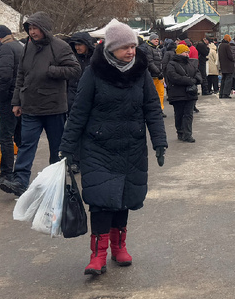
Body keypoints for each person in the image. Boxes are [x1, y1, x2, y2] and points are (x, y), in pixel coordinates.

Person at [60, 20, 168, 276]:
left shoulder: (141, 72)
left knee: (123, 199)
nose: (131, 51)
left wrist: (159, 142)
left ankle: (119, 247)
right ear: (111, 48)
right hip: (98, 147)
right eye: (124, 47)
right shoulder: (94, 73)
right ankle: (97, 255)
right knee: (101, 201)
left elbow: (152, 109)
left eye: (133, 46)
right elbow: (79, 112)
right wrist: (67, 147)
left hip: (131, 146)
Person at [1, 12, 81, 197]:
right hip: (30, 106)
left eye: (35, 28)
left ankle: (56, 182)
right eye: (30, 28)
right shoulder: (27, 47)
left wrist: (51, 70)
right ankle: (20, 181)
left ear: (44, 28)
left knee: (56, 148)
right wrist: (16, 102)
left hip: (54, 107)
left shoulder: (60, 47)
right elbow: (21, 75)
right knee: (26, 145)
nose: (32, 32)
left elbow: (75, 69)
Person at [0, 24, 24, 188]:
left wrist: (0, 96)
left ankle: (6, 174)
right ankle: (20, 173)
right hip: (21, 98)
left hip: (9, 99)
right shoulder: (19, 46)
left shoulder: (5, 48)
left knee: (5, 137)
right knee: (20, 137)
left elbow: (4, 75)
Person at [165, 43, 203, 141]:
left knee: (188, 114)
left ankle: (187, 134)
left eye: (187, 52)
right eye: (185, 52)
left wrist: (195, 80)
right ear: (179, 53)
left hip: (190, 93)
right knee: (179, 114)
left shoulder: (190, 63)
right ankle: (180, 132)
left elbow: (198, 74)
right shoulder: (172, 64)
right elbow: (173, 77)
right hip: (177, 94)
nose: (187, 54)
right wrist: (189, 81)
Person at [65, 31, 97, 111]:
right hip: (71, 98)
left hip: (90, 97)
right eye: (75, 45)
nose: (77, 47)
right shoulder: (71, 59)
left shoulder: (95, 59)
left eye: (79, 45)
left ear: (87, 44)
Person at [148, 34, 167, 109]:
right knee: (152, 94)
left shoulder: (158, 49)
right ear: (150, 40)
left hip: (160, 75)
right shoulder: (149, 49)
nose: (156, 41)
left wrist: (161, 72)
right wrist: (157, 72)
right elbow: (150, 62)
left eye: (157, 39)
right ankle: (154, 109)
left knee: (161, 93)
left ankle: (160, 109)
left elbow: (161, 62)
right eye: (154, 39)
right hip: (153, 76)